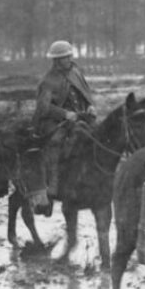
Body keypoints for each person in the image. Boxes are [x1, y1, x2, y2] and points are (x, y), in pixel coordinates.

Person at [33, 40, 97, 195]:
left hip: (79, 117)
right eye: (64, 57)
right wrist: (65, 114)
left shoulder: (75, 72)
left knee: (99, 137)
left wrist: (90, 105)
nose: (69, 59)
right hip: (55, 121)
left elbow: (85, 93)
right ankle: (53, 185)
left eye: (69, 56)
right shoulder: (48, 80)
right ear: (56, 60)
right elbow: (44, 107)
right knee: (55, 143)